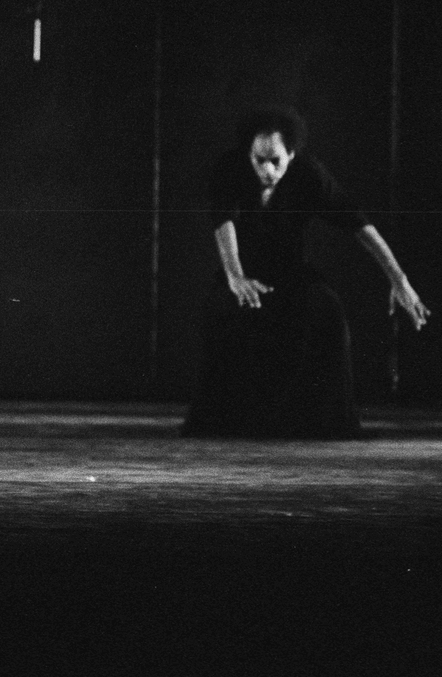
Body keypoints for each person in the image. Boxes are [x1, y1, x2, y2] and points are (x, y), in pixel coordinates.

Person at [182, 108, 429, 439]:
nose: (267, 170)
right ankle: (227, 423)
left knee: (326, 312)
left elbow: (358, 223)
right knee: (227, 312)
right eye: (259, 161)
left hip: (291, 271)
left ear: (292, 155)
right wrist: (236, 277)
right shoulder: (230, 168)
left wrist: (399, 280)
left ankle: (320, 424)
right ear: (248, 155)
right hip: (241, 268)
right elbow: (222, 221)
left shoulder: (309, 174)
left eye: (276, 161)